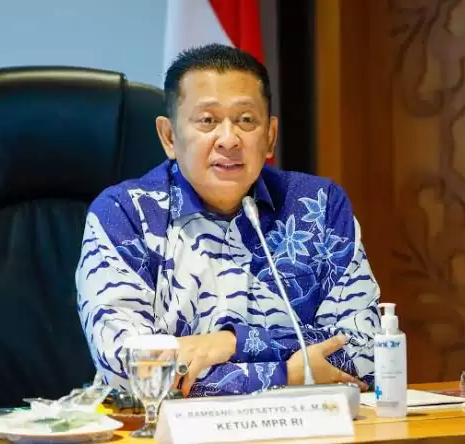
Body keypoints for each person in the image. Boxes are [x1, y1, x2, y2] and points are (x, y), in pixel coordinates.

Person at [76, 43, 381, 397]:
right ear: (169, 137)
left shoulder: (319, 206)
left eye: (246, 120)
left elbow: (369, 351)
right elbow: (130, 371)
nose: (228, 139)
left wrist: (231, 343)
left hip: (305, 424)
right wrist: (286, 375)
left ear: (270, 136)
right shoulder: (125, 215)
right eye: (207, 120)